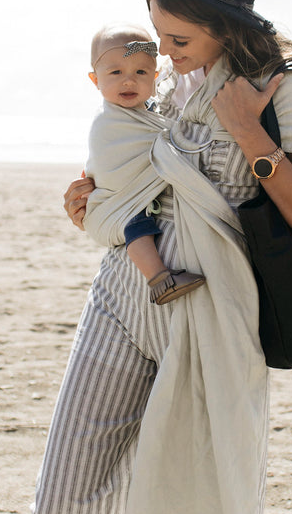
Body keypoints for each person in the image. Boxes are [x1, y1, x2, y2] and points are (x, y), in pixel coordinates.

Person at [32, 0, 292, 514]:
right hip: (124, 298)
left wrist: (251, 136)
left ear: (226, 27)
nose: (166, 55)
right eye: (160, 36)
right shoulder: (169, 84)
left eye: (179, 39)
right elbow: (148, 171)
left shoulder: (286, 88)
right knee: (66, 498)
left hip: (213, 321)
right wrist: (95, 203)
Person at [85, 23, 207, 305]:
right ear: (95, 80)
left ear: (154, 77)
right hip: (118, 199)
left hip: (137, 195)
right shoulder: (108, 122)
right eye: (116, 72)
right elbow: (109, 161)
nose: (129, 81)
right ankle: (159, 279)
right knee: (137, 226)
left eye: (140, 72)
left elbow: (163, 138)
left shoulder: (151, 113)